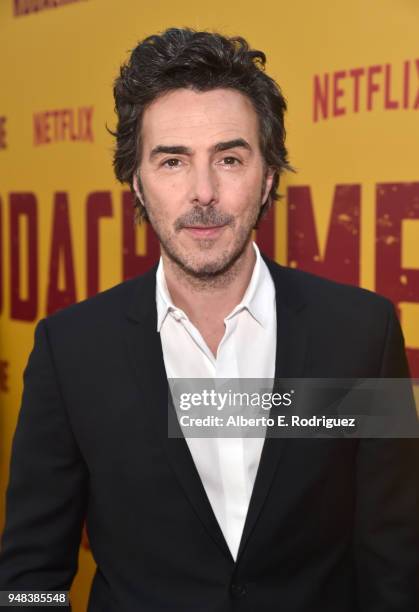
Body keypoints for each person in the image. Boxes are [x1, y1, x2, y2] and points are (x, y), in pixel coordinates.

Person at [0, 28, 418, 611]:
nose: (203, 192)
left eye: (229, 158)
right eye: (172, 161)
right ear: (137, 185)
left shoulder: (360, 334)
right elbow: (30, 576)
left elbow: (394, 561)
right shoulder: (71, 351)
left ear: (268, 176)